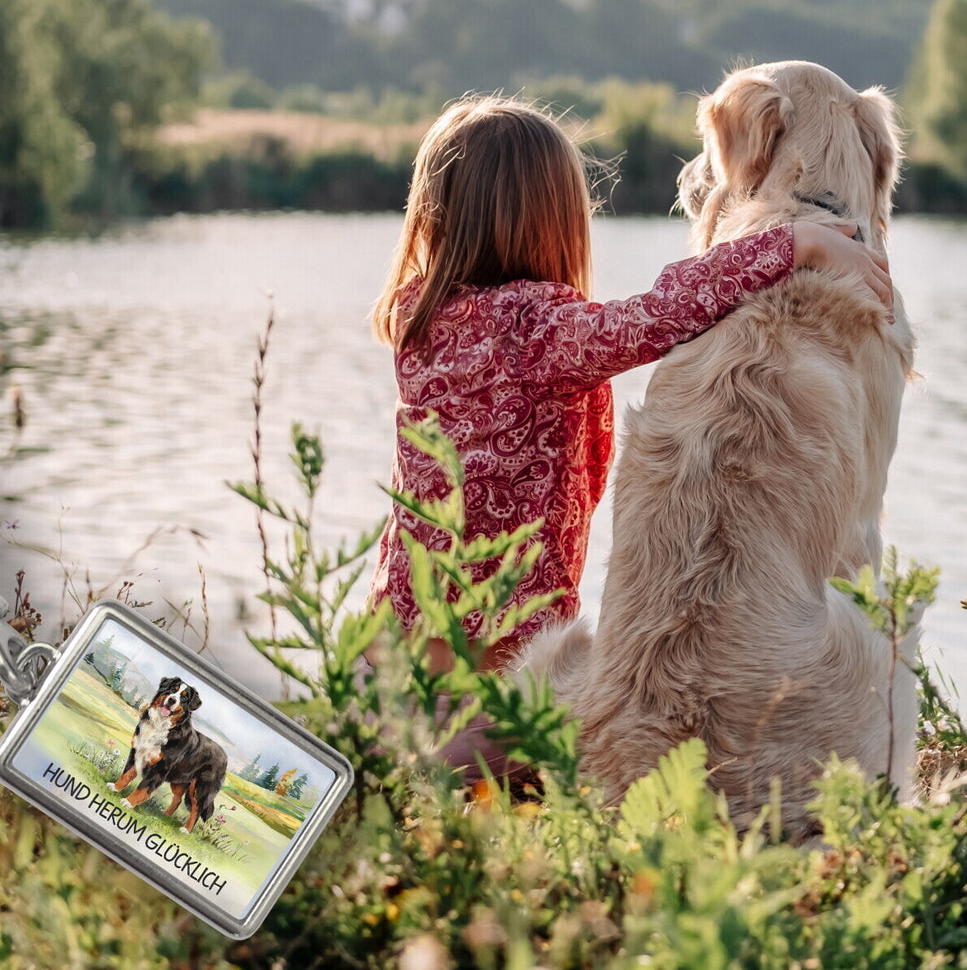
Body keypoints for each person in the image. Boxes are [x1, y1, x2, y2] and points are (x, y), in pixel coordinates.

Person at [364, 94, 894, 791]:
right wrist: (797, 243)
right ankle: (406, 779)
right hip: (488, 638)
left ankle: (379, 757)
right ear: (553, 219)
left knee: (471, 746)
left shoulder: (418, 314)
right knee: (554, 729)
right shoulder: (536, 331)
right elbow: (662, 314)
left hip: (394, 625)